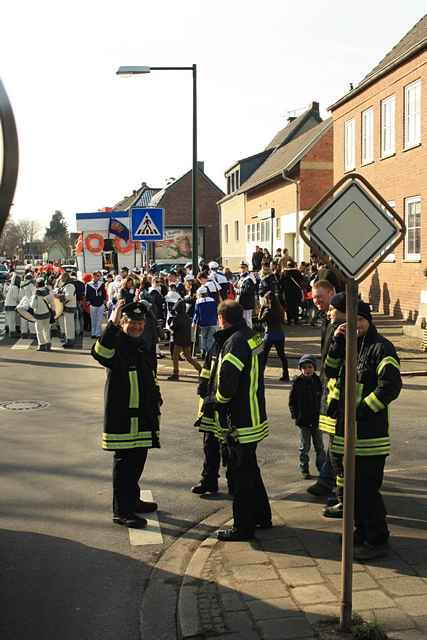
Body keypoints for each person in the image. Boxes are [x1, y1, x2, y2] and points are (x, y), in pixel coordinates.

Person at [325, 299, 402, 560]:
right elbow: (329, 371)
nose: (355, 325)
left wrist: (361, 411)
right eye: (351, 320)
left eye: (360, 320)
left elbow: (390, 386)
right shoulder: (347, 344)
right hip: (347, 433)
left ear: (368, 320)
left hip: (370, 435)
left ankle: (378, 539)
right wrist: (336, 343)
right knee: (350, 488)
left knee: (367, 490)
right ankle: (360, 530)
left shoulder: (382, 348)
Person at [195, 300, 271, 541]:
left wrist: (214, 401)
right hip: (254, 415)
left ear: (221, 318)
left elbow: (227, 386)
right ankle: (261, 516)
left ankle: (243, 527)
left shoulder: (233, 342)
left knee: (239, 478)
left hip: (239, 421)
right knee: (250, 470)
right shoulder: (252, 337)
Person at [91, 299, 162, 529]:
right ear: (122, 322)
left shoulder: (140, 343)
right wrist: (112, 321)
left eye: (140, 323)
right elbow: (99, 352)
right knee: (125, 465)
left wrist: (156, 397)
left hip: (142, 415)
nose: (137, 327)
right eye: (132, 322)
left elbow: (149, 374)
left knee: (138, 461)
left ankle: (133, 500)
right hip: (123, 416)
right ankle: (121, 511)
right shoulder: (116, 343)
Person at [289, 355, 325, 479]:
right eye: (304, 367)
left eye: (310, 367)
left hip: (316, 420)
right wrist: (295, 415)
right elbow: (292, 401)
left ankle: (322, 469)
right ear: (301, 369)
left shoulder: (318, 381)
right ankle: (304, 468)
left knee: (319, 446)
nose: (307, 370)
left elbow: (322, 399)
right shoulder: (297, 382)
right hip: (303, 420)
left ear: (314, 368)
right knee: (304, 447)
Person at [167, 299, 202, 381]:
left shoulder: (177, 318)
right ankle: (201, 369)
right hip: (187, 340)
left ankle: (176, 374)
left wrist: (170, 323)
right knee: (189, 357)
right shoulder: (187, 317)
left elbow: (172, 327)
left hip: (178, 340)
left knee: (175, 357)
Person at [258, 291, 289, 381]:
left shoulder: (268, 311)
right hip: (279, 334)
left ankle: (260, 374)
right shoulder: (280, 309)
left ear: (268, 300)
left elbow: (260, 320)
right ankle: (285, 374)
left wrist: (261, 309)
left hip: (269, 335)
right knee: (282, 355)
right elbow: (284, 321)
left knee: (264, 356)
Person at [30, 278, 55, 351]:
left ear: (37, 284)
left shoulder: (36, 294)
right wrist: (53, 311)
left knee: (39, 330)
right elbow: (52, 303)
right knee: (47, 329)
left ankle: (42, 345)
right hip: (47, 313)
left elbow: (33, 306)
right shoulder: (48, 292)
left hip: (38, 314)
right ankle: (48, 344)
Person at [193, 285, 218, 359]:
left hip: (203, 322)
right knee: (210, 338)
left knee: (203, 337)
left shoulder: (198, 301)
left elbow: (196, 313)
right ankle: (209, 353)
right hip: (213, 321)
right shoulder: (212, 300)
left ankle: (203, 351)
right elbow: (215, 310)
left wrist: (194, 322)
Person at [56, 272, 77, 348]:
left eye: (62, 278)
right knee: (67, 325)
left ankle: (70, 340)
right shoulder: (67, 285)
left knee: (69, 325)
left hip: (69, 307)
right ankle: (69, 339)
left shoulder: (70, 286)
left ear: (65, 277)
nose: (61, 279)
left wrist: (58, 296)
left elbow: (69, 296)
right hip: (67, 307)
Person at [85, 271, 107, 339]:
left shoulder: (101, 284)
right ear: (93, 276)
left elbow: (104, 293)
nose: (98, 277)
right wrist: (88, 301)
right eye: (97, 276)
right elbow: (87, 294)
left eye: (99, 276)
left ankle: (98, 333)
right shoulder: (88, 284)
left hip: (100, 304)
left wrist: (104, 300)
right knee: (93, 319)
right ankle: (93, 333)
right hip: (92, 304)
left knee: (99, 319)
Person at [235, 261, 256, 328]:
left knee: (248, 321)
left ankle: (252, 338)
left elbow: (247, 291)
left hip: (247, 303)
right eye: (241, 267)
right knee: (244, 321)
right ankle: (245, 337)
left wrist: (237, 290)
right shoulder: (242, 277)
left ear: (247, 268)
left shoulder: (249, 278)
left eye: (243, 267)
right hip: (242, 302)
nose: (242, 269)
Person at [19, 272, 36, 337]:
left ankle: (24, 333)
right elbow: (34, 294)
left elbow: (20, 295)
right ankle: (32, 333)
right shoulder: (31, 285)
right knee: (30, 318)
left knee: (23, 319)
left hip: (23, 302)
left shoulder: (22, 284)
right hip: (29, 303)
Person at [4, 273, 21, 337]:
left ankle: (11, 332)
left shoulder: (11, 286)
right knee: (12, 320)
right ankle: (12, 333)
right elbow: (15, 297)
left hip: (8, 304)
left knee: (9, 320)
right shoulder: (15, 287)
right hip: (11, 305)